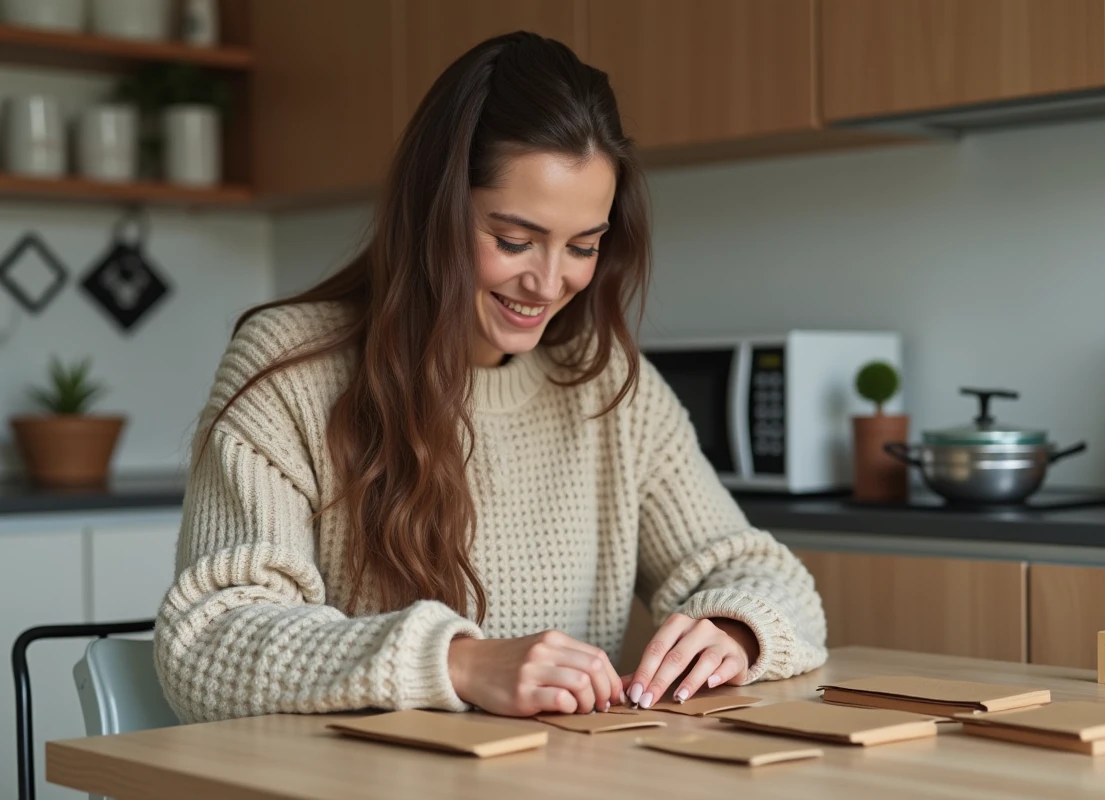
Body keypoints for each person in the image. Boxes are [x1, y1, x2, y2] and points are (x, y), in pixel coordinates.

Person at [154, 31, 827, 723]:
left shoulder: (603, 382)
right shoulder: (289, 369)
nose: (548, 281)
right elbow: (207, 640)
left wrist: (735, 631)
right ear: (433, 215)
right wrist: (459, 664)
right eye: (513, 241)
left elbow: (762, 574)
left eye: (583, 246)